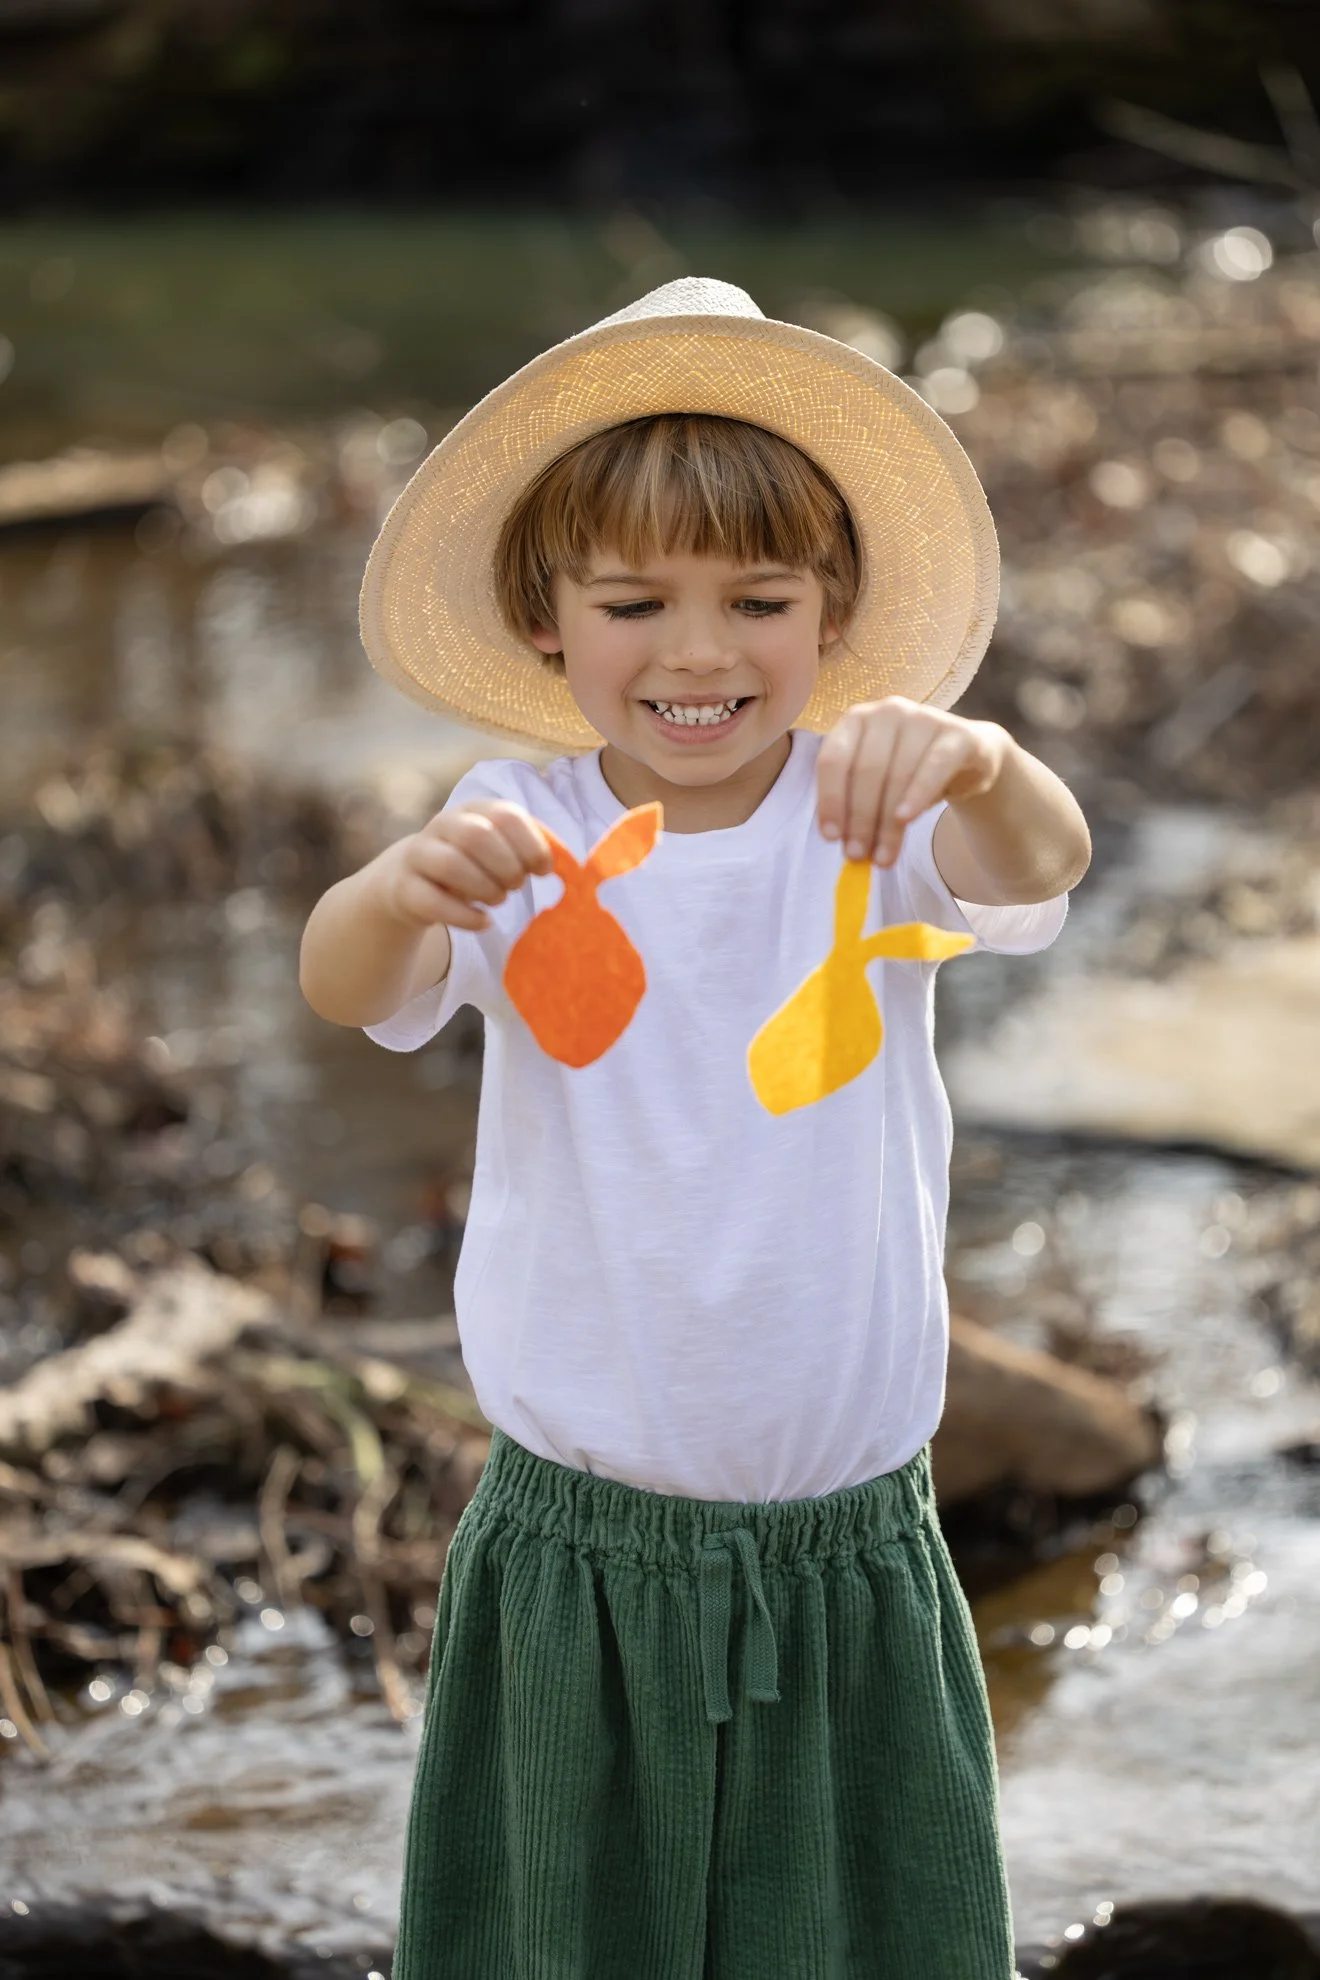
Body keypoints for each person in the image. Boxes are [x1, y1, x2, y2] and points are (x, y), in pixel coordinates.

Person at [300, 278, 1091, 1980]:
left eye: (758, 600)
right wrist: (396, 888)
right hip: (580, 1546)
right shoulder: (516, 825)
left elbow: (1046, 865)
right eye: (634, 602)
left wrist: (981, 761)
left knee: (869, 1937)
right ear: (546, 618)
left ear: (832, 612)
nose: (700, 651)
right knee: (562, 1936)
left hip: (849, 1543)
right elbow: (351, 983)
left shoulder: (876, 808)